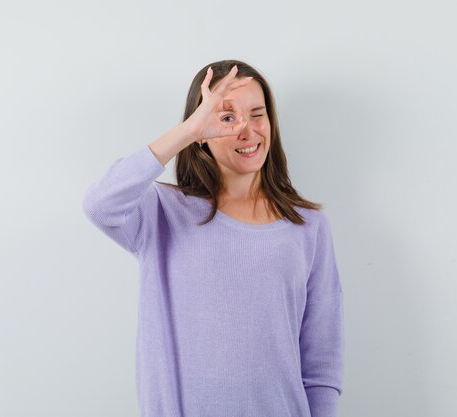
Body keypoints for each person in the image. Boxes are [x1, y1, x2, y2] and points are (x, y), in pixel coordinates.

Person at [82, 59, 344, 417]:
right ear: (201, 133)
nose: (247, 131)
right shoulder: (162, 211)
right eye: (226, 118)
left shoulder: (307, 225)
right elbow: (100, 204)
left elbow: (321, 360)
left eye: (257, 114)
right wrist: (186, 131)